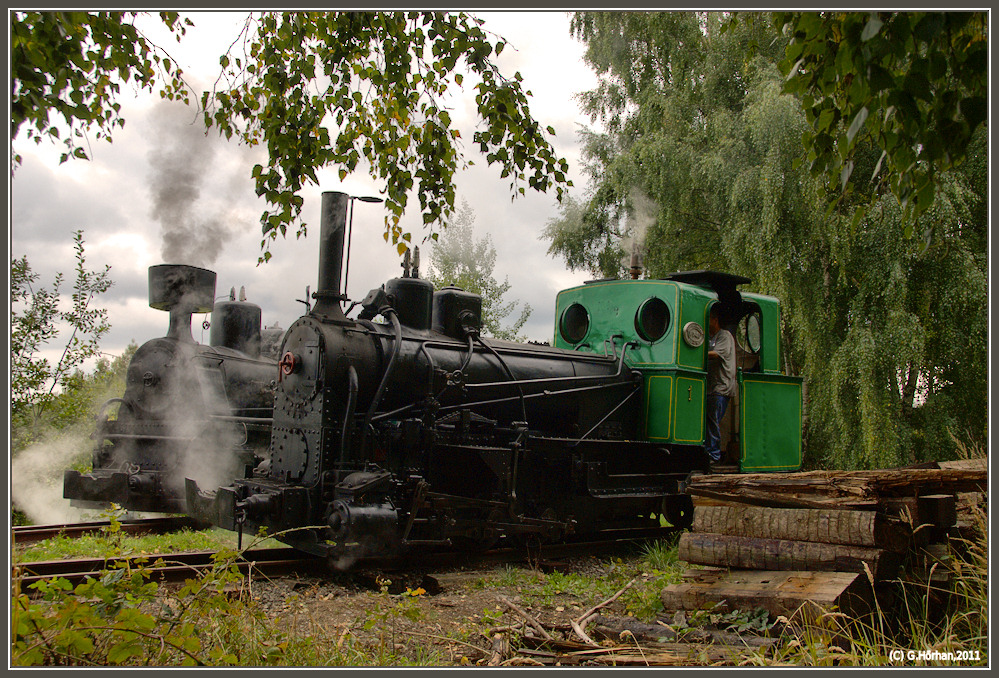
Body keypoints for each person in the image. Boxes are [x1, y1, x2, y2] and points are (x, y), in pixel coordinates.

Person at [705, 305, 736, 467]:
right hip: (710, 386)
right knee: (708, 419)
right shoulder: (709, 338)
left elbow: (716, 354)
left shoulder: (724, 336)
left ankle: (714, 456)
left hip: (721, 387)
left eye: (707, 319)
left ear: (715, 320)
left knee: (712, 420)